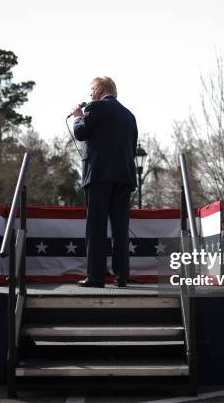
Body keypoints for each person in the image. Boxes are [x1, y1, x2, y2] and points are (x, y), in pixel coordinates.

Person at [71, 76, 138, 288]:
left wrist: (77, 117)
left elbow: (81, 133)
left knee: (96, 227)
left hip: (99, 175)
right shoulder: (129, 115)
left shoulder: (95, 107)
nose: (89, 94)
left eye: (91, 89)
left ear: (100, 89)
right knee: (120, 228)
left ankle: (95, 277)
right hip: (124, 176)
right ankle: (121, 276)